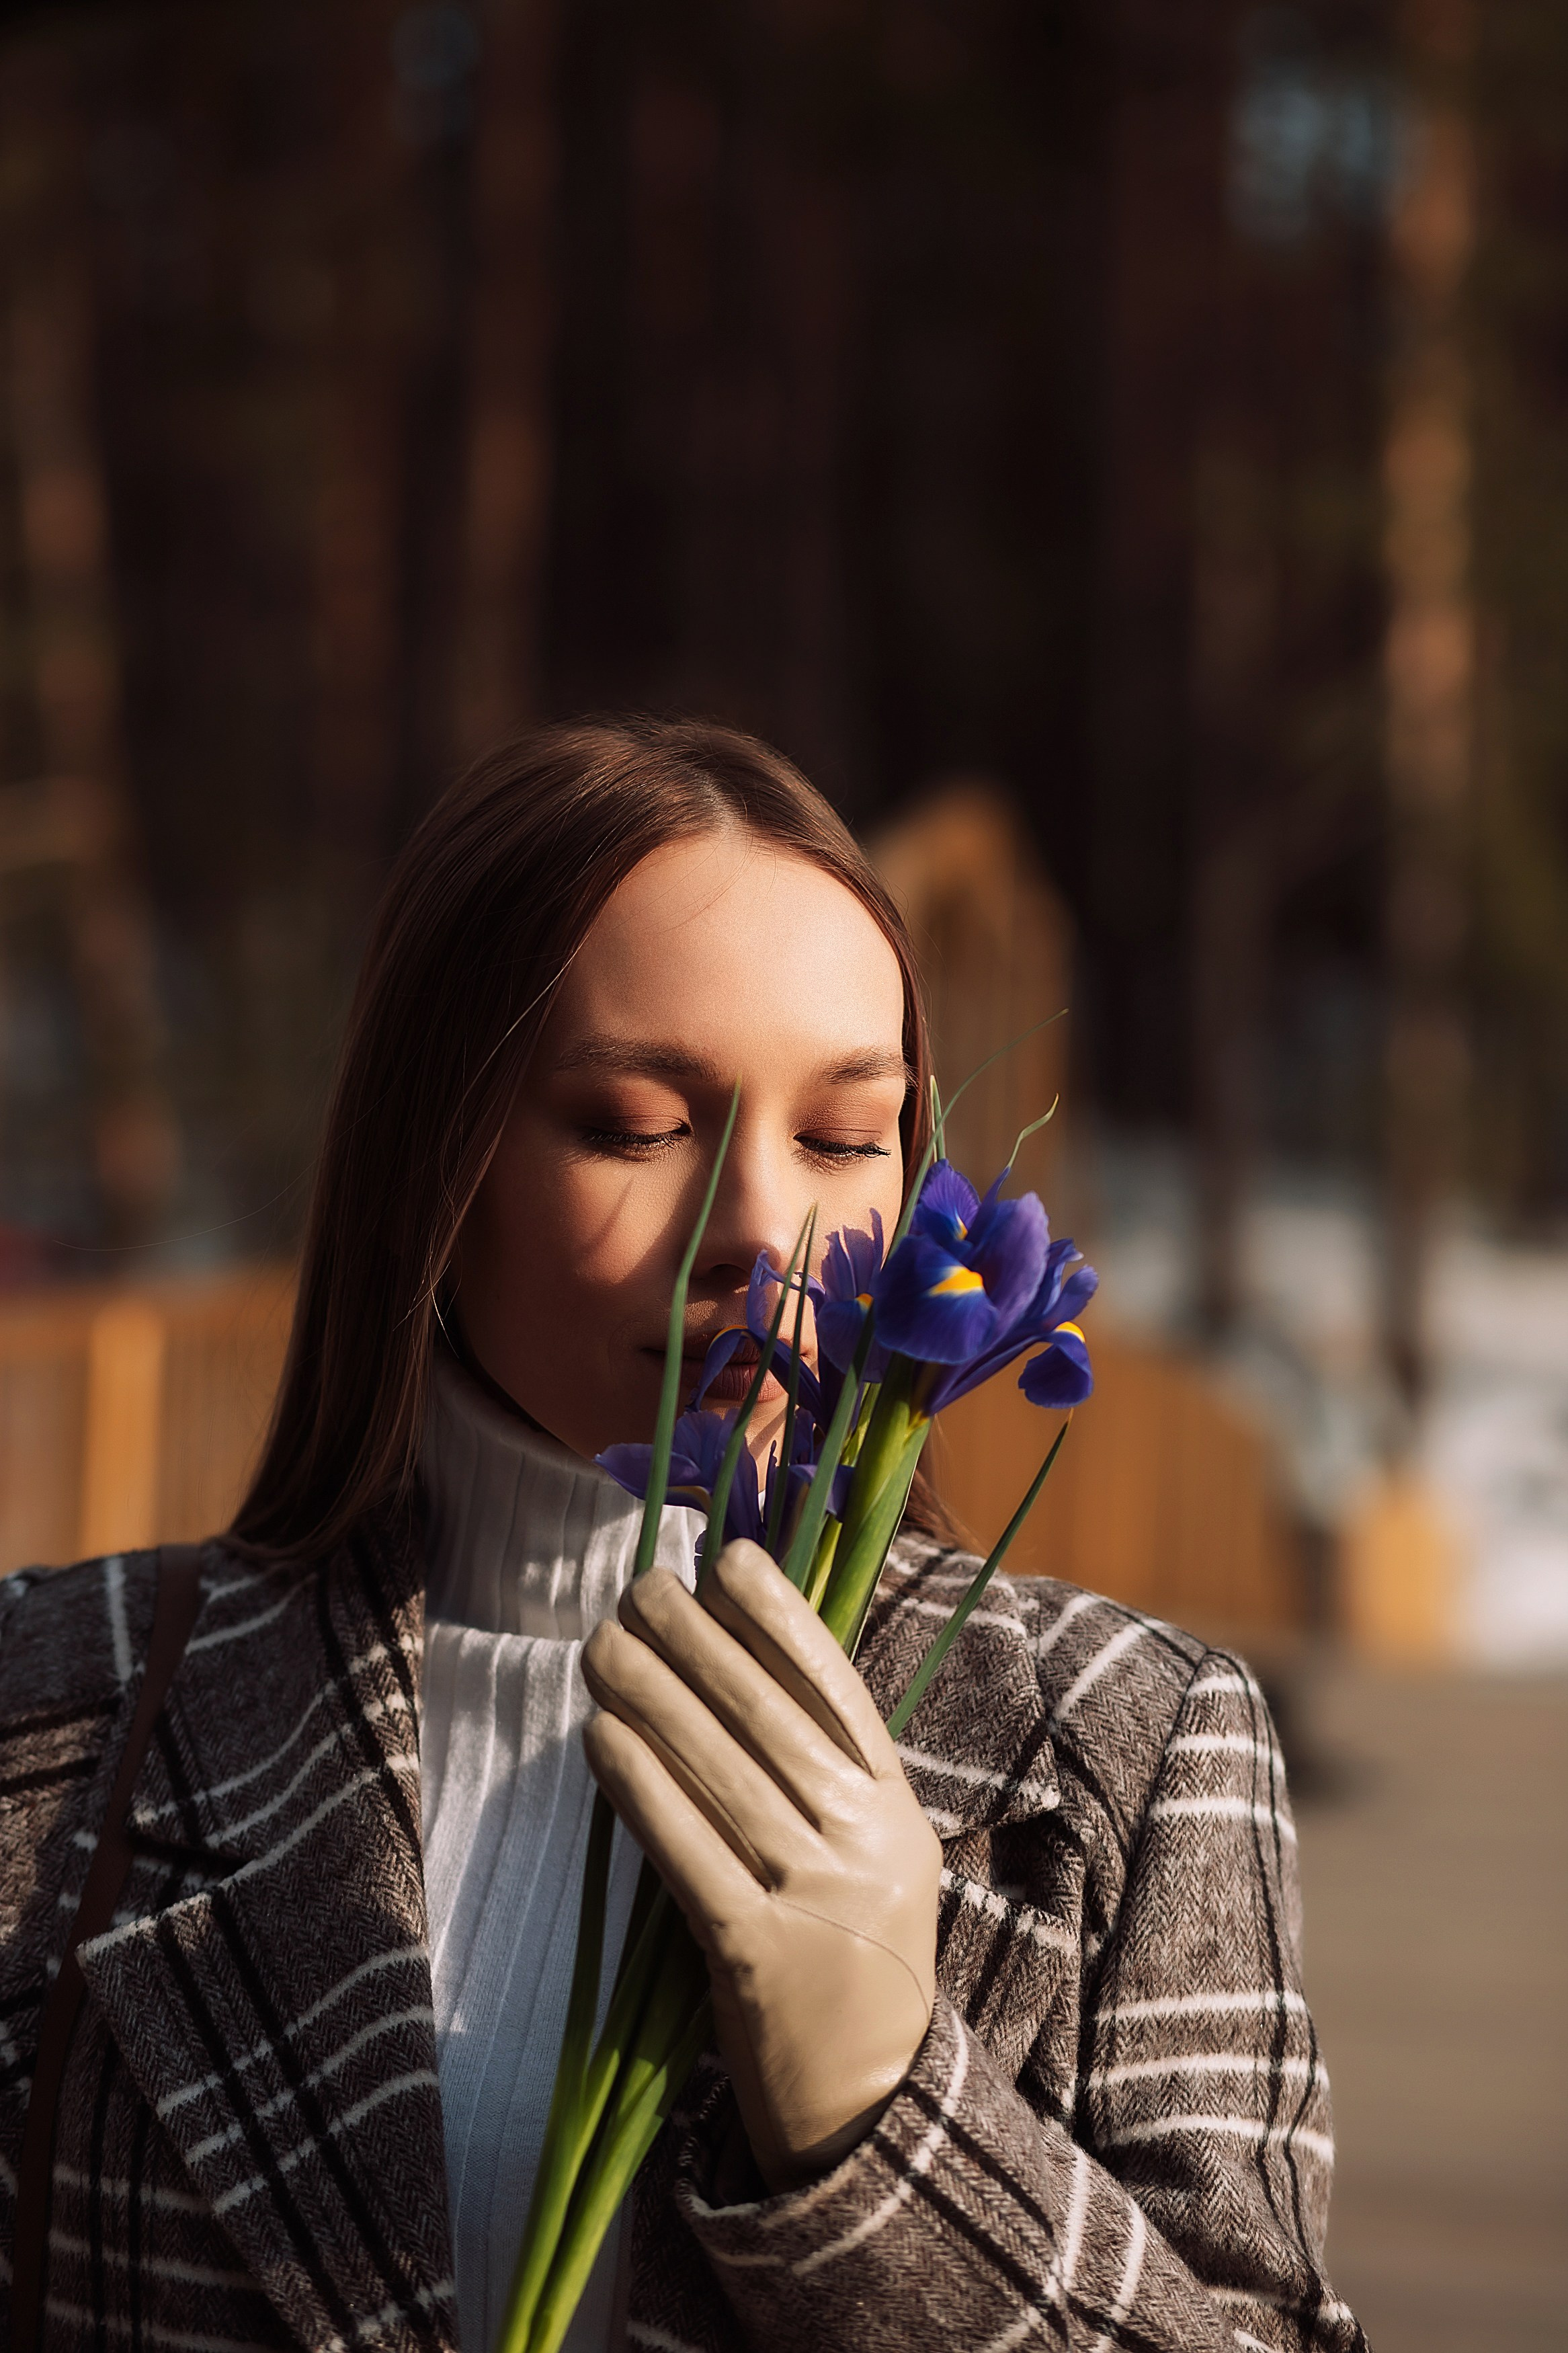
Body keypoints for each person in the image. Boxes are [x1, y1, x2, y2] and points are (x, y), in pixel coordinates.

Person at [0, 718, 1364, 2353]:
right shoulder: (58, 1699)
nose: (764, 1235)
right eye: (636, 1125)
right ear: (432, 1168)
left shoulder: (1129, 1749)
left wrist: (881, 2108)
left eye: (846, 1138)